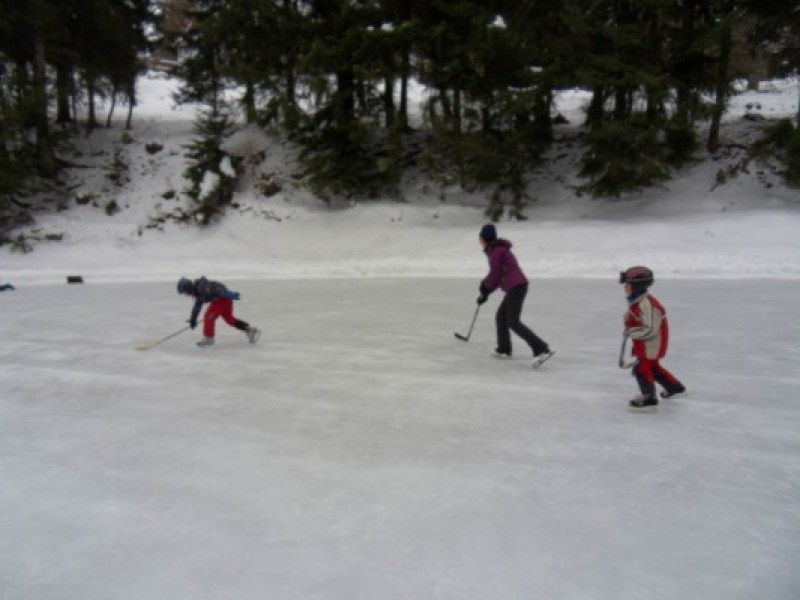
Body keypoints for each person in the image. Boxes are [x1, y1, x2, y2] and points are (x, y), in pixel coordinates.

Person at [477, 223, 553, 368]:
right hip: (515, 287)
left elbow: (494, 275)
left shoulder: (496, 252)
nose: (479, 241)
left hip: (516, 287)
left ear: (484, 238)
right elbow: (498, 276)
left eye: (480, 238)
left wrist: (485, 287)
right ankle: (504, 348)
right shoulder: (496, 250)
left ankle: (541, 349)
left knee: (513, 322)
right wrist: (485, 293)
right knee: (501, 317)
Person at [620, 266, 686, 409]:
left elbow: (650, 328)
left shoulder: (648, 305)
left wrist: (631, 332)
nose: (625, 287)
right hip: (646, 343)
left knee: (641, 369)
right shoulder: (638, 301)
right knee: (653, 368)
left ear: (637, 287)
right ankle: (674, 387)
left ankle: (649, 397)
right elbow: (638, 317)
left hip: (652, 343)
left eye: (628, 284)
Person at [177, 276, 261, 347]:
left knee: (208, 317)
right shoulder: (198, 292)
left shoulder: (201, 287)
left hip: (222, 299)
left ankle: (209, 338)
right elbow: (197, 307)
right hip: (226, 300)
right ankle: (250, 330)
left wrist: (228, 294)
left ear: (187, 288)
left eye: (184, 292)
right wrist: (193, 320)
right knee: (229, 318)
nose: (186, 295)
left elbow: (216, 289)